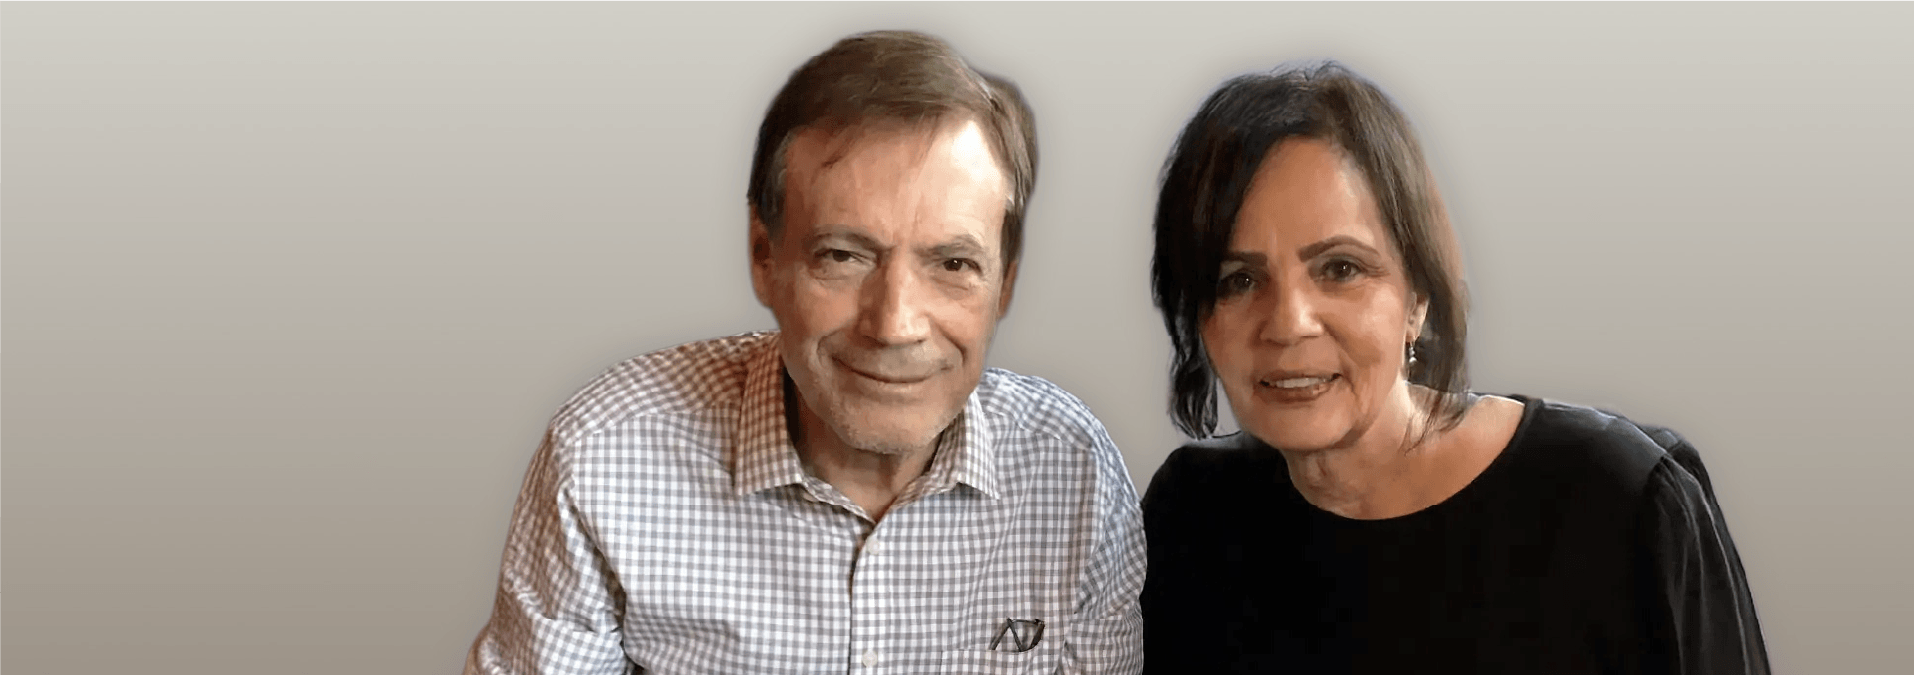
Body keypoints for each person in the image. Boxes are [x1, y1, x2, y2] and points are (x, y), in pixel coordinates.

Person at [465, 31, 1144, 674]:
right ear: (764, 257)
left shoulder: (1074, 476)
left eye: (953, 264)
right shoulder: (606, 461)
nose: (894, 325)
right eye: (843, 255)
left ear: (1005, 286)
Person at [1140, 62, 1770, 674]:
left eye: (1340, 268)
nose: (1288, 323)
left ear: (1418, 297)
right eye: (1239, 279)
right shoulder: (1191, 518)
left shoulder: (1622, 501)